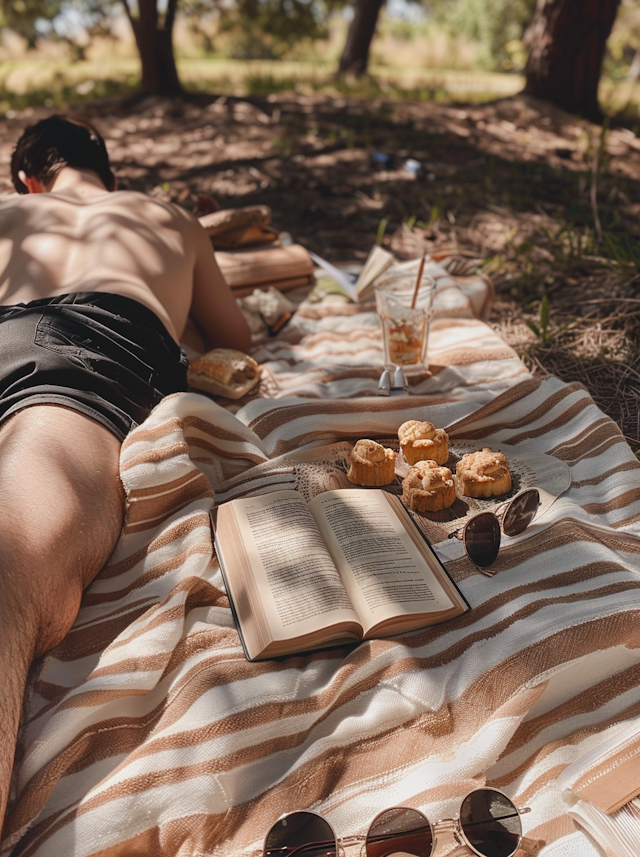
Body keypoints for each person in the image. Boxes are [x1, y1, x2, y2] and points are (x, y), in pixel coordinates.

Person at [0, 114, 251, 834]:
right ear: (110, 173)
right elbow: (233, 339)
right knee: (14, 560)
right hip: (87, 357)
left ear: (28, 179)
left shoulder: (8, 210)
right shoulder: (166, 218)